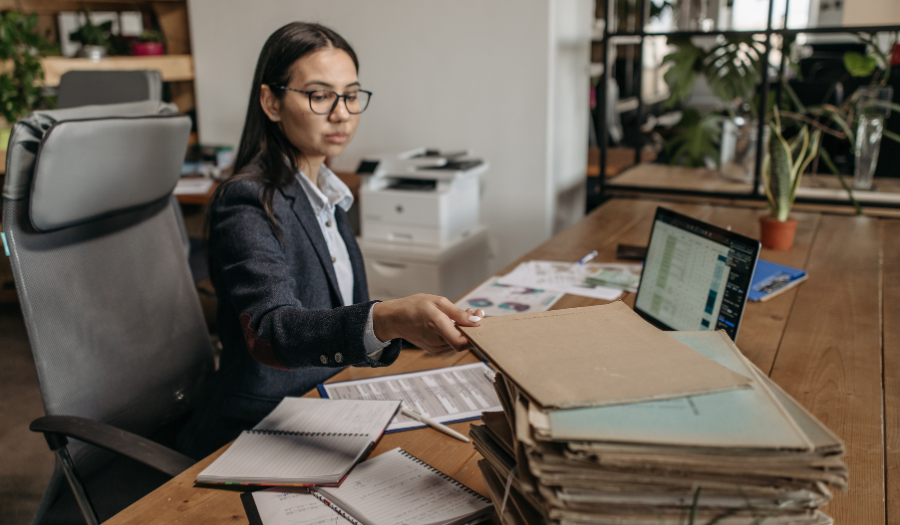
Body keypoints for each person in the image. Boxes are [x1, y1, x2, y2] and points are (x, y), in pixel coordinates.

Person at [177, 22, 484, 459]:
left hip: (330, 402)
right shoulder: (245, 201)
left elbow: (335, 314)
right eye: (320, 95)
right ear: (272, 101)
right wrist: (389, 317)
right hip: (260, 424)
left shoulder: (325, 193)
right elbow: (271, 331)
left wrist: (417, 326)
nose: (342, 113)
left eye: (352, 94)